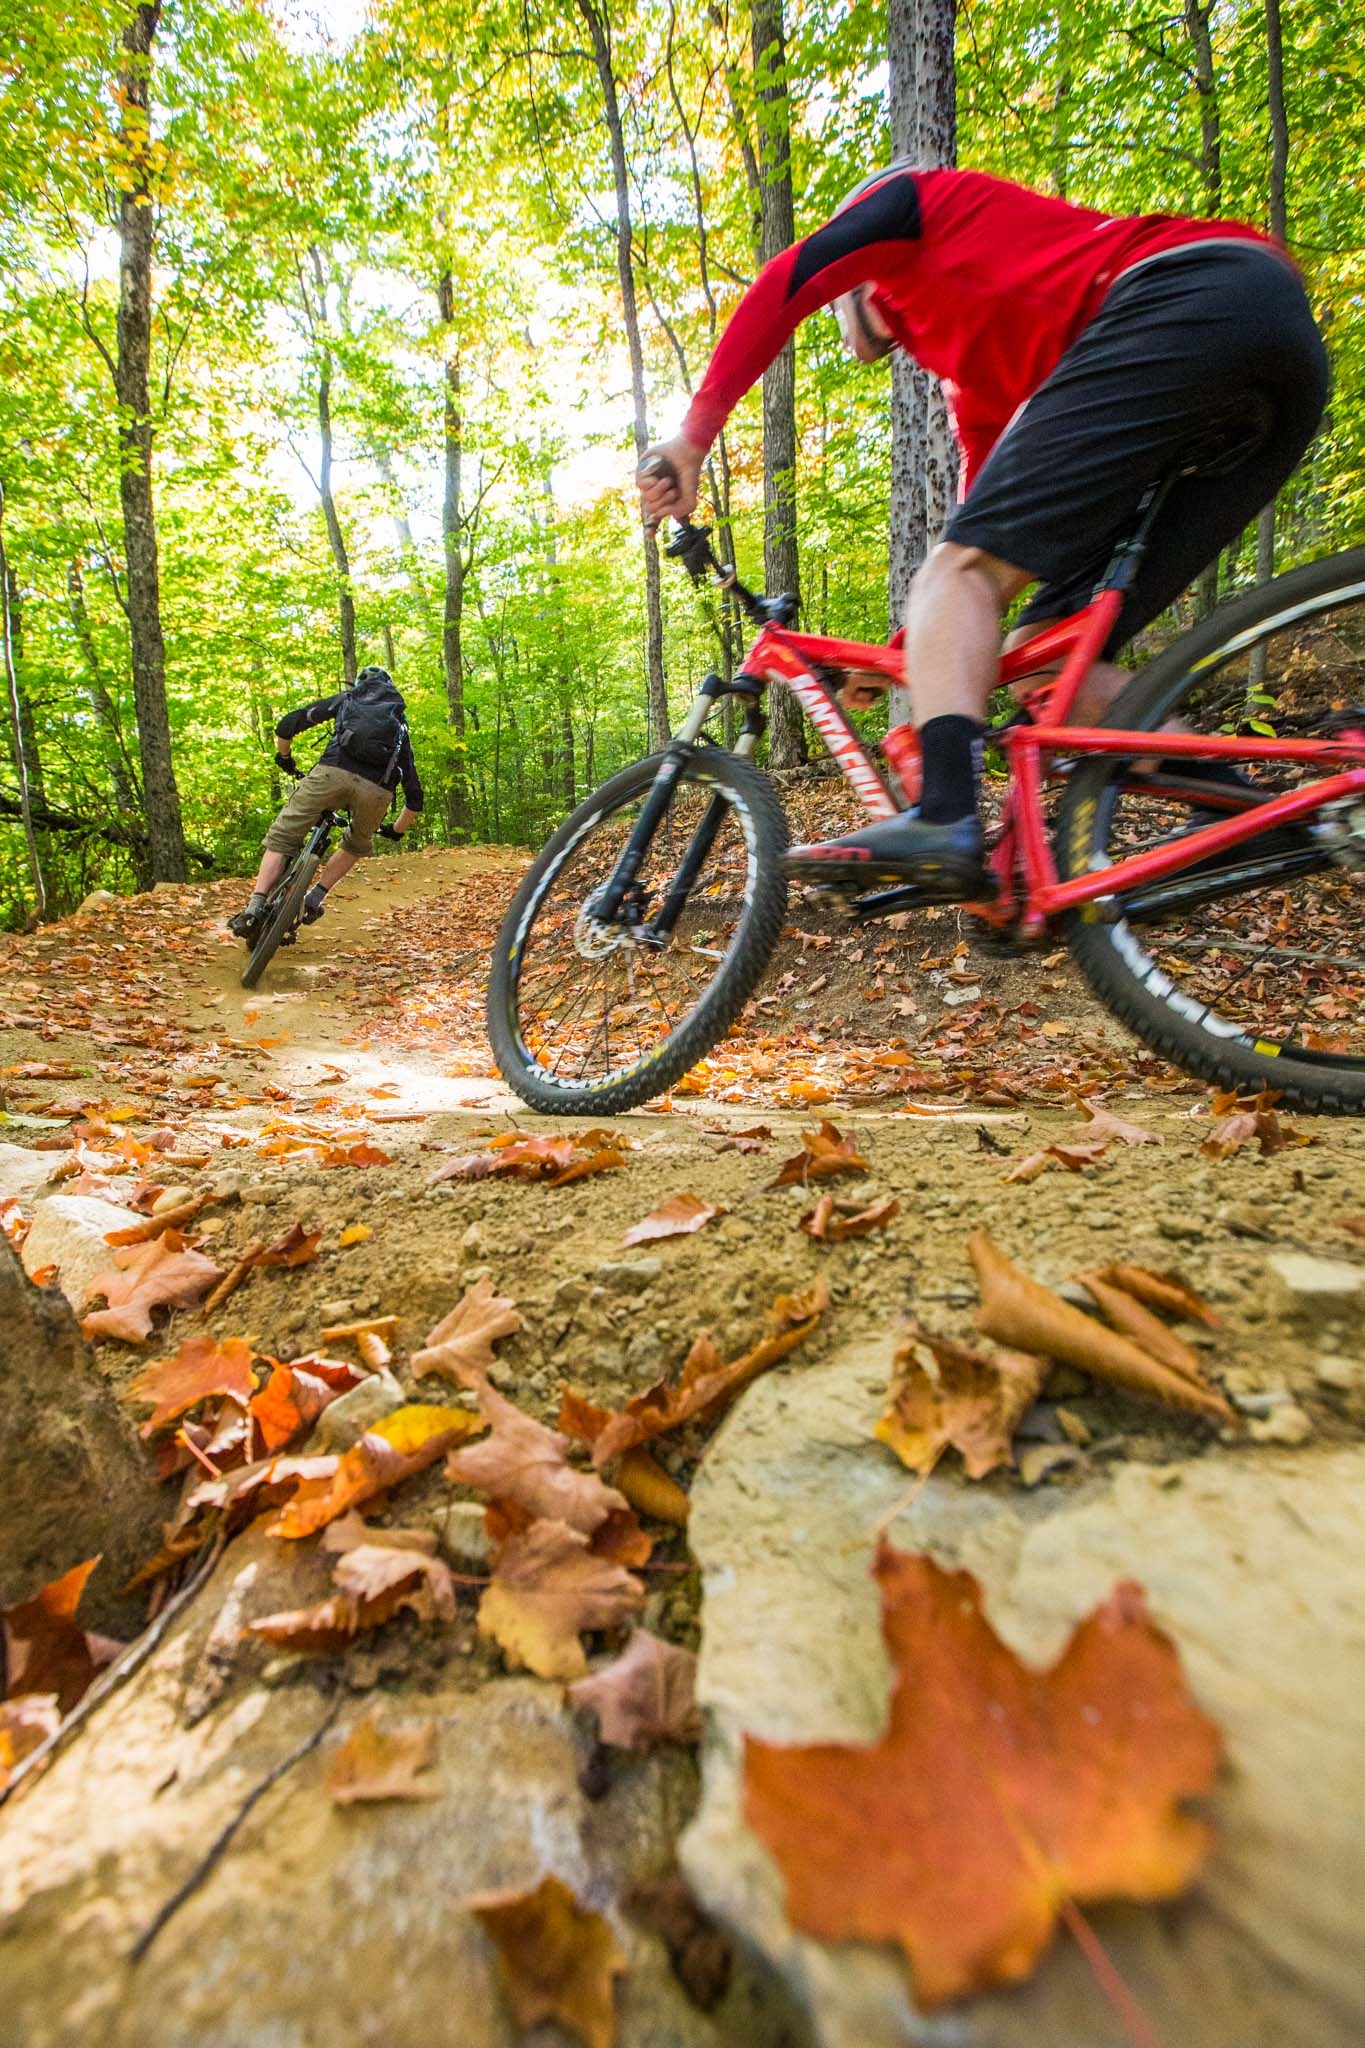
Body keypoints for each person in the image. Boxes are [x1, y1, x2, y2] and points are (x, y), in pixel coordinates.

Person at [637, 163, 1329, 899]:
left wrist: (693, 436)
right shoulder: (967, 365)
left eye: (845, 302)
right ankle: (1247, 810)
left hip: (1181, 295)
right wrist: (903, 655)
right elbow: (985, 520)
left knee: (956, 576)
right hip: (1265, 349)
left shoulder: (907, 203)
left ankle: (944, 819)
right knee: (1044, 660)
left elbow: (790, 278)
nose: (846, 326)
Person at [227, 665, 423, 940]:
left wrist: (284, 757)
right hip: (376, 791)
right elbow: (414, 798)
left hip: (330, 774)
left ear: (358, 685)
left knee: (282, 838)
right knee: (356, 843)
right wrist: (396, 830)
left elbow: (287, 725)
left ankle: (254, 906)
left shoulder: (347, 699)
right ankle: (315, 898)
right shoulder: (400, 725)